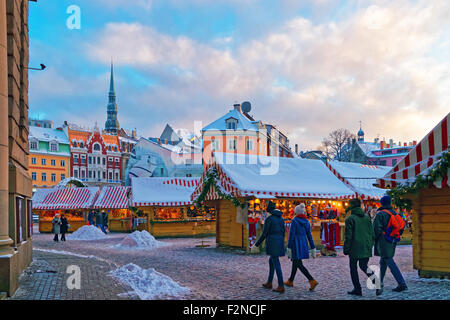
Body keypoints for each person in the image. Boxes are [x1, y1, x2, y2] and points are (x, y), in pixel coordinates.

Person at [374, 195, 407, 295]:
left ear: (382, 203)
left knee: (388, 260)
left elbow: (376, 229)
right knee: (383, 261)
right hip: (393, 239)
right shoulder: (395, 213)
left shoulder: (380, 214)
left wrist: (374, 239)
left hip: (384, 241)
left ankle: (402, 283)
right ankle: (380, 284)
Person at [343, 198, 375, 296]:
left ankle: (357, 289)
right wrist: (370, 244)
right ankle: (377, 282)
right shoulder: (367, 217)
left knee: (353, 268)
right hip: (365, 246)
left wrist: (346, 249)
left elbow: (348, 236)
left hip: (354, 247)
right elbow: (372, 233)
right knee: (363, 266)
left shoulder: (350, 219)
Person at [254, 201, 286, 293]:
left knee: (276, 262)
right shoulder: (281, 219)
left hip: (272, 242)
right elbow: (283, 231)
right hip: (279, 241)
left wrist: (256, 244)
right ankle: (269, 282)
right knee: (272, 260)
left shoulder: (269, 219)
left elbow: (264, 233)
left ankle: (281, 285)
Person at [284, 204, 318, 291]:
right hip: (303, 243)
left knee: (298, 263)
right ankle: (290, 280)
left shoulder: (294, 221)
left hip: (295, 243)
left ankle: (311, 280)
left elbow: (292, 235)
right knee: (296, 261)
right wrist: (313, 247)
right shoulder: (306, 221)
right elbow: (309, 234)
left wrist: (289, 246)